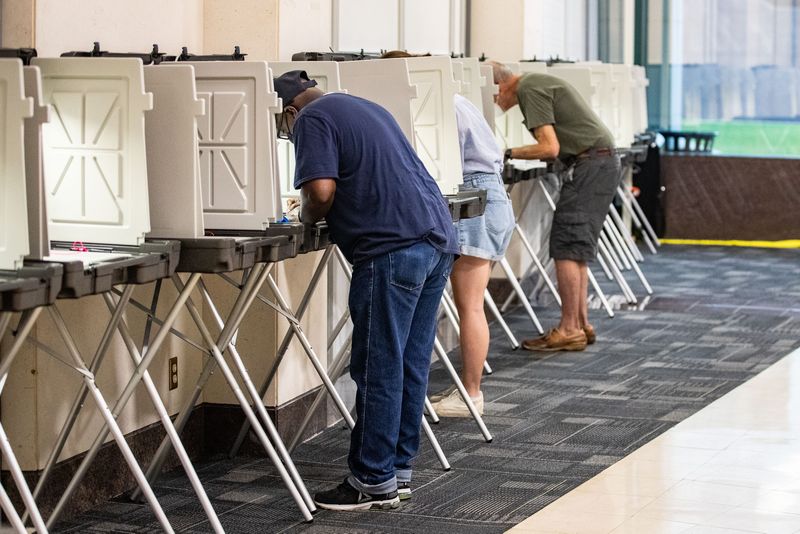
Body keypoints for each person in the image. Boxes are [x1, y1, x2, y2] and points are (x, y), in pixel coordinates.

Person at [273, 70, 458, 511]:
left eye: (283, 128)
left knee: (378, 366)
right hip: (436, 240)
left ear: (290, 112)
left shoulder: (312, 120)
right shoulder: (365, 106)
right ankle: (397, 470)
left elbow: (320, 189)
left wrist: (306, 217)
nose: (286, 135)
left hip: (391, 247)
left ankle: (371, 480)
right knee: (410, 363)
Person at [380, 50, 515, 418]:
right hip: (489, 194)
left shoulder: (437, 105)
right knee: (471, 304)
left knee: (469, 305)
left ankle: (471, 394)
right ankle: (469, 391)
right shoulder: (453, 98)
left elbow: (437, 162)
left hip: (475, 198)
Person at [487, 60, 621, 352]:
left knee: (565, 246)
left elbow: (550, 147)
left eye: (491, 95)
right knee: (575, 248)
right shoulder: (535, 82)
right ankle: (581, 324)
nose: (494, 102)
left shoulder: (528, 89)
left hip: (591, 165)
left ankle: (569, 329)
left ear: (499, 86)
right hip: (599, 162)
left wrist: (504, 152)